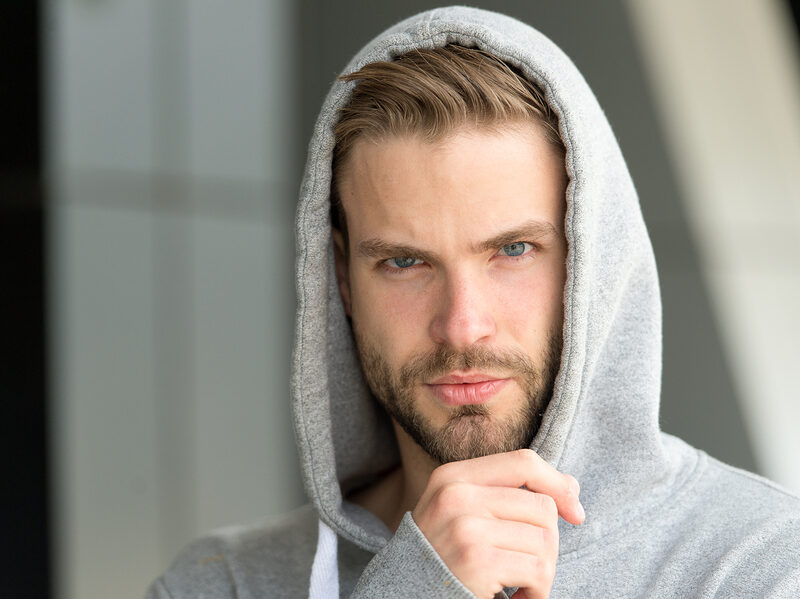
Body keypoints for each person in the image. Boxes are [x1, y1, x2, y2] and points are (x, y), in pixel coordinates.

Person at [146, 6, 800, 598]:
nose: (462, 324)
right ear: (342, 280)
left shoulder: (757, 567)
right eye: (405, 262)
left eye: (512, 250)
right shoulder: (223, 584)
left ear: (587, 263)